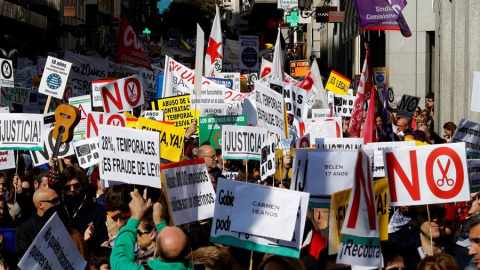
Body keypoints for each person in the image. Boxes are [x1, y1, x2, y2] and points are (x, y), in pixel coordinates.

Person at [110, 189, 191, 270]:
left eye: (139, 232)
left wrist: (135, 216)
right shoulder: (191, 267)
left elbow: (119, 261)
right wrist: (160, 221)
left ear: (156, 251)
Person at [59, 166, 107, 251]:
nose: (72, 190)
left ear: (82, 185)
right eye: (67, 187)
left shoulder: (97, 211)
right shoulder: (60, 210)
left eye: (76, 186)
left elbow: (102, 244)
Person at [15, 188, 61, 258]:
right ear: (40, 205)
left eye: (58, 200)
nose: (58, 203)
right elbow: (24, 258)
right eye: (54, 201)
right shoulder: (25, 229)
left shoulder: (61, 220)